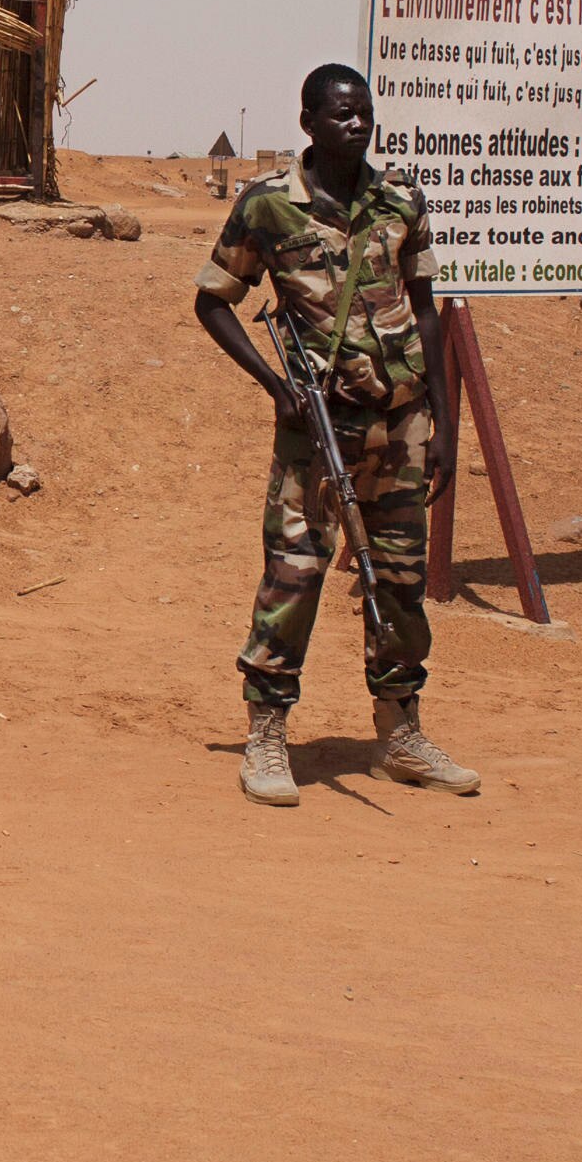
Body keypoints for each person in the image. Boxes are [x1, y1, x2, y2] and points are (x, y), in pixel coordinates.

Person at [191, 63, 482, 807]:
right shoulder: (268, 207)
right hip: (319, 434)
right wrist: (274, 385)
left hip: (402, 425)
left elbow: (426, 311)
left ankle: (399, 732)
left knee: (401, 581)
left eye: (366, 112)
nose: (359, 124)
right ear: (309, 122)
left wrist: (445, 425)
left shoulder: (401, 201)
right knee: (295, 575)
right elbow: (214, 299)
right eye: (342, 114)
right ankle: (266, 733)